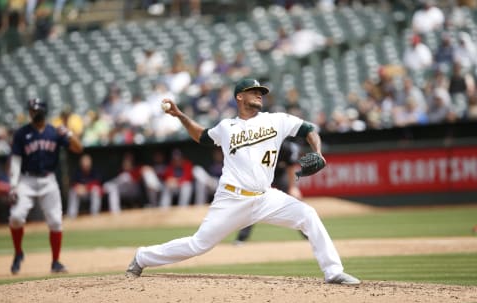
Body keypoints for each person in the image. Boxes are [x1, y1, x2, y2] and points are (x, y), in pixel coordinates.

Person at [126, 78, 361, 285]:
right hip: (232, 198)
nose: (259, 94)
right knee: (198, 245)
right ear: (239, 96)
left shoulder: (276, 120)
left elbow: (309, 129)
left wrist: (318, 152)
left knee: (308, 215)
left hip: (266, 197)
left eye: (261, 92)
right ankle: (143, 256)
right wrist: (180, 116)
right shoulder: (227, 127)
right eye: (253, 90)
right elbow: (202, 136)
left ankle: (333, 272)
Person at [8, 98, 83, 274]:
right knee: (16, 217)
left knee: (56, 221)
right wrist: (13, 185)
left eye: (37, 110)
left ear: (44, 111)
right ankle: (18, 252)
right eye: (32, 110)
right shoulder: (21, 133)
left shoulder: (54, 132)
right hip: (27, 180)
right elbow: (16, 160)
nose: (34, 113)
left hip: (48, 180)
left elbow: (79, 149)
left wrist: (69, 134)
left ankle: (55, 262)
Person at [235, 138, 308, 243]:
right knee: (252, 202)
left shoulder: (286, 147)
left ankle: (308, 234)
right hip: (262, 176)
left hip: (279, 175)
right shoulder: (259, 146)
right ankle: (241, 238)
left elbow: (290, 168)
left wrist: (292, 187)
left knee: (295, 201)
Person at [66, 153, 103, 219]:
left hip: (91, 193)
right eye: (84, 162)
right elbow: (72, 183)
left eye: (87, 162)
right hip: (81, 193)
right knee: (72, 191)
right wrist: (77, 187)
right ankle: (71, 215)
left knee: (96, 190)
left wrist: (86, 187)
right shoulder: (77, 172)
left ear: (90, 163)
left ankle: (95, 214)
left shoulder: (94, 171)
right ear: (81, 163)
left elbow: (98, 183)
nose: (86, 164)